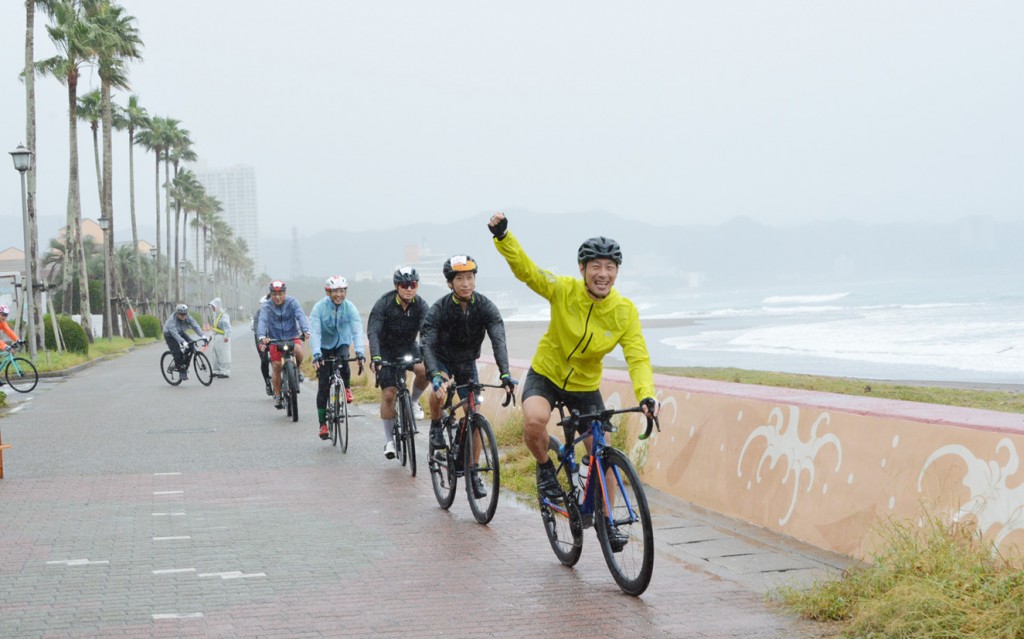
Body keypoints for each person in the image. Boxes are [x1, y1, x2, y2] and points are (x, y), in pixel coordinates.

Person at [488, 212, 661, 499]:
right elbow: (527, 271)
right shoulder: (563, 290)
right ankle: (545, 467)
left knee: (603, 454)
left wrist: (647, 394)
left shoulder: (625, 311)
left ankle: (609, 527)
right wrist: (504, 237)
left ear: (617, 272)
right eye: (595, 266)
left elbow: (638, 357)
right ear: (582, 269)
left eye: (610, 267)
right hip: (547, 374)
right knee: (534, 421)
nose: (602, 273)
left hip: (585, 386)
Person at [421, 254, 517, 498]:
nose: (466, 283)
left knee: (475, 414)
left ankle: (473, 473)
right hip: (441, 359)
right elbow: (428, 344)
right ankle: (435, 424)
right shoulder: (439, 309)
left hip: (466, 362)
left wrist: (505, 373)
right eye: (460, 279)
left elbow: (498, 340)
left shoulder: (485, 306)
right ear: (450, 283)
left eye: (470, 277)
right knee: (439, 390)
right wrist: (435, 375)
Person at [366, 266, 429, 459]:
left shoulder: (421, 305)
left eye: (413, 284)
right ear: (397, 286)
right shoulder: (383, 304)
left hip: (408, 347)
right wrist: (376, 357)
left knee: (425, 370)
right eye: (404, 285)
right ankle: (389, 442)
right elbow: (373, 333)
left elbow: (426, 332)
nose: (409, 288)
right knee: (389, 395)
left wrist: (428, 354)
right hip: (386, 350)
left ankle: (414, 401)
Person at [310, 275, 366, 440]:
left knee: (344, 363)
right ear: (328, 292)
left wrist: (360, 351)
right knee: (323, 386)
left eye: (342, 291)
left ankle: (346, 388)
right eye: (334, 291)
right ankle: (322, 424)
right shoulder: (319, 308)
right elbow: (315, 331)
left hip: (342, 342)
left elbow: (356, 329)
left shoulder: (350, 308)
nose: (339, 295)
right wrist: (316, 353)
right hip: (324, 346)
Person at [256, 280, 311, 409]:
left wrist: (305, 330)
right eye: (274, 294)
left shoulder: (293, 302)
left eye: (280, 294)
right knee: (276, 367)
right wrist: (262, 337)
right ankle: (277, 395)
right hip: (275, 339)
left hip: (292, 336)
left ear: (285, 293)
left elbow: (300, 316)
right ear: (270, 294)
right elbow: (262, 321)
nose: (277, 297)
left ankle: (296, 370)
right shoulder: (266, 306)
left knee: (299, 350)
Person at [163, 303, 204, 381]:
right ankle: (181, 370)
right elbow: (174, 333)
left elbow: (194, 325)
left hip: (181, 332)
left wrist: (203, 336)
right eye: (181, 314)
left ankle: (183, 361)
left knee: (192, 345)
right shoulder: (172, 320)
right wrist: (183, 342)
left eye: (184, 314)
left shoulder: (187, 316)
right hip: (170, 335)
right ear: (177, 313)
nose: (183, 316)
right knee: (177, 353)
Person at [251, 294, 273, 395]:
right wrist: (261, 339)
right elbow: (257, 329)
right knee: (264, 359)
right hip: (262, 338)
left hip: (274, 338)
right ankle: (267, 382)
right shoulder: (258, 314)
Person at [208, 297, 232, 378]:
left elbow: (227, 327)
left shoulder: (224, 315)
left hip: (222, 337)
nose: (212, 308)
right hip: (216, 337)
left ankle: (225, 371)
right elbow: (214, 327)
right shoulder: (215, 315)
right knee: (215, 354)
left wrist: (226, 336)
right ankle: (217, 370)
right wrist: (211, 335)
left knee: (223, 355)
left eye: (213, 306)